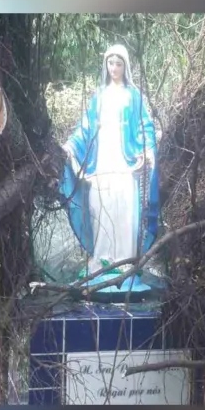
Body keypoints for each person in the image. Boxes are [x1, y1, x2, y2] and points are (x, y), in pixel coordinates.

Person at [60, 44, 159, 292]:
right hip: (102, 159)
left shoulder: (133, 96)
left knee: (124, 208)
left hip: (124, 161)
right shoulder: (99, 96)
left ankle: (125, 261)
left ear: (126, 66)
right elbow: (85, 128)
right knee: (99, 205)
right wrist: (71, 145)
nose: (114, 68)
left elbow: (145, 126)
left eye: (118, 63)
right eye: (110, 63)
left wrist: (147, 149)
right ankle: (102, 258)